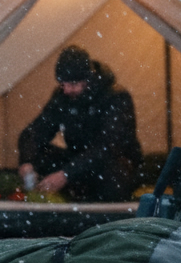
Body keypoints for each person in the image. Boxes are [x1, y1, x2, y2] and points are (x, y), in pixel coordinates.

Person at [17, 45, 141, 202]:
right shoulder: (62, 97)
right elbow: (35, 132)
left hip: (114, 162)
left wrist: (66, 174)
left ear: (88, 79)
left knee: (114, 173)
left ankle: (101, 214)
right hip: (78, 159)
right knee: (41, 155)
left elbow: (108, 146)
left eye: (73, 84)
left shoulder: (116, 97)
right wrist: (27, 161)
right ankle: (54, 194)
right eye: (63, 84)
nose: (67, 90)